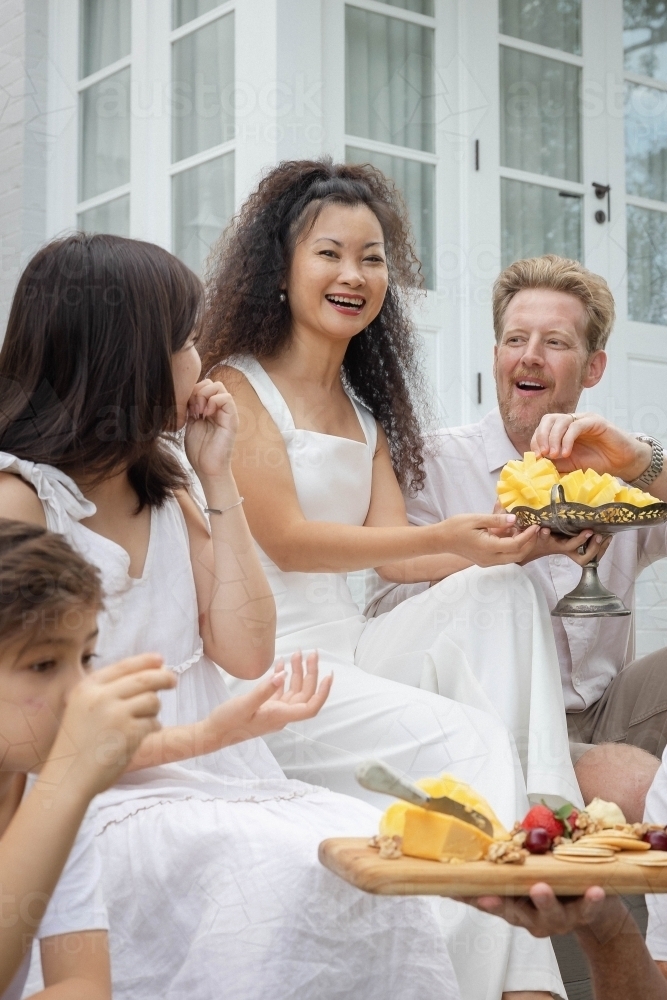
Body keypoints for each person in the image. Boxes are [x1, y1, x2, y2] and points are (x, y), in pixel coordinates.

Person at [0, 234, 464, 1000]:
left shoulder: (175, 480)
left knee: (362, 852)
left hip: (220, 776)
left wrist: (216, 474)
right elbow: (34, 740)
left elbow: (246, 651)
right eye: (183, 340)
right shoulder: (22, 501)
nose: (200, 360)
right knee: (276, 868)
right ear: (127, 355)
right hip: (101, 792)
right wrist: (209, 734)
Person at [201, 157, 575, 998]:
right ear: (281, 267)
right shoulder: (238, 386)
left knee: (501, 591)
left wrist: (508, 545)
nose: (353, 275)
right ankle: (508, 981)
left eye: (371, 258)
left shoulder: (365, 412)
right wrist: (445, 531)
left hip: (357, 648)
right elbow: (288, 541)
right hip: (275, 668)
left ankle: (551, 807)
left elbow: (390, 551)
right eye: (329, 253)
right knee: (467, 741)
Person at [366, 254, 667, 821]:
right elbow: (386, 614)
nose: (530, 355)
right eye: (515, 339)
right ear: (497, 355)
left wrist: (639, 460)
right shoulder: (430, 461)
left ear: (593, 367)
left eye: (555, 342)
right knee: (638, 789)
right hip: (499, 724)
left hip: (607, 709)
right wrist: (498, 542)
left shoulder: (614, 470)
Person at [0, 518, 174, 1000]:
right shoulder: (57, 789)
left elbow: (83, 984)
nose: (80, 692)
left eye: (88, 657)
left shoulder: (41, 791)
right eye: (42, 665)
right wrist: (67, 784)